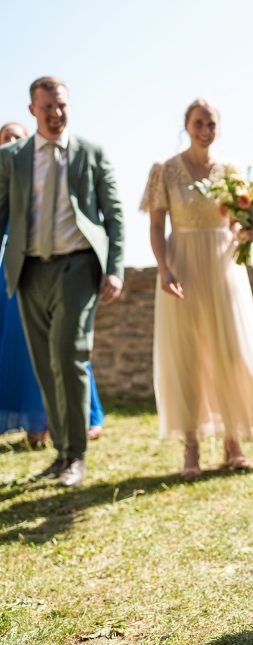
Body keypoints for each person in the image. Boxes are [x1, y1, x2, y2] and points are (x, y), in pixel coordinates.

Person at [141, 99, 253, 480]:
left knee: (230, 349)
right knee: (186, 353)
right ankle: (191, 444)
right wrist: (163, 268)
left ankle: (232, 439)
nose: (206, 129)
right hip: (182, 265)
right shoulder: (165, 170)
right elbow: (156, 226)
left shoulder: (230, 171)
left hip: (224, 266)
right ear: (187, 125)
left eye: (211, 124)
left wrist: (247, 232)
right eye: (199, 123)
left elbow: (236, 227)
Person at [0, 77, 125, 487]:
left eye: (62, 106)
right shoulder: (13, 158)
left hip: (77, 267)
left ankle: (76, 456)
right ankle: (60, 455)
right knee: (44, 365)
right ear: (33, 109)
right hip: (29, 270)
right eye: (47, 107)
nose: (56, 114)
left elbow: (114, 214)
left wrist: (115, 268)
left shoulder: (90, 153)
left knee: (68, 354)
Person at [0, 120, 105, 448]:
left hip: (55, 264)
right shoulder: (7, 173)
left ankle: (55, 428)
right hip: (14, 270)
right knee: (22, 353)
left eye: (16, 138)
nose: (11, 143)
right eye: (5, 139)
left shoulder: (37, 165)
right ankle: (32, 423)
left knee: (62, 348)